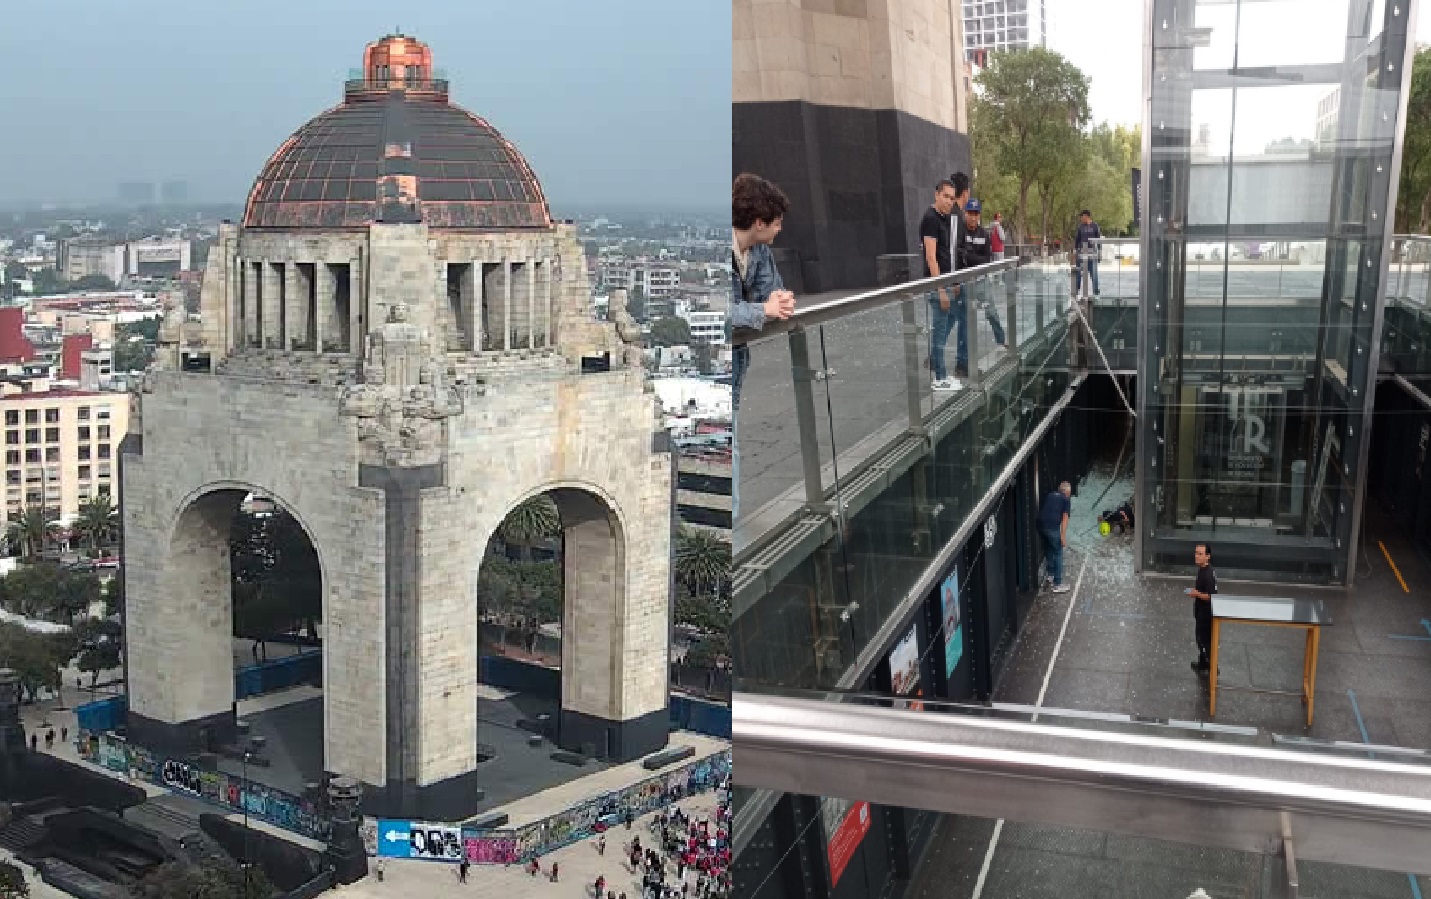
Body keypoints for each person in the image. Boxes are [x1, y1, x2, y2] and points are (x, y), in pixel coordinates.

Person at [730, 173, 797, 519]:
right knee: (733, 453)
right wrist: (763, 309)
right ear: (758, 222)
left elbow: (773, 289)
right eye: (777, 222)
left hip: (739, 368)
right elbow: (721, 312)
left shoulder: (758, 253)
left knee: (735, 449)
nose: (779, 230)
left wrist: (777, 299)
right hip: (728, 370)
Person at [919, 178, 960, 391]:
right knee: (940, 328)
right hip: (937, 284)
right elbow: (931, 257)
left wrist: (951, 281)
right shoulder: (931, 219)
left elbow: (946, 255)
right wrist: (940, 289)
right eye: (946, 196)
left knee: (948, 320)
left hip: (944, 281)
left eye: (952, 198)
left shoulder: (944, 218)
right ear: (936, 194)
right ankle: (939, 377)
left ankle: (938, 365)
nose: (949, 201)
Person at [956, 199, 1006, 361]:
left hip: (981, 281)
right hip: (964, 282)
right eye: (970, 213)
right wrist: (971, 258)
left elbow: (986, 259)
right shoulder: (959, 232)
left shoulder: (984, 234)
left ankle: (1001, 340)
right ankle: (936, 356)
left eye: (976, 214)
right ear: (965, 214)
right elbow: (959, 257)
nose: (973, 217)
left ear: (979, 215)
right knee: (956, 320)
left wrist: (969, 257)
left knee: (992, 313)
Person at [1037, 481, 1072, 594]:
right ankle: (1058, 584)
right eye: (1070, 493)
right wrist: (1063, 536)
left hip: (1040, 525)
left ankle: (1050, 575)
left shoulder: (1050, 495)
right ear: (1067, 492)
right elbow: (1065, 518)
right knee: (1058, 552)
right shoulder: (1066, 499)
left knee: (1048, 548)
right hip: (1052, 527)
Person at [1188, 543, 1218, 674]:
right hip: (1200, 612)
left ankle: (1212, 668)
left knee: (1205, 641)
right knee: (1200, 639)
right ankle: (1203, 663)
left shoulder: (1208, 574)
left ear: (1208, 557)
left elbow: (1212, 596)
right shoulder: (1202, 569)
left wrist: (1197, 594)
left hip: (1206, 614)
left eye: (1200, 554)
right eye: (1196, 553)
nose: (1196, 556)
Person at [1074, 210, 1102, 297]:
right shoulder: (1080, 227)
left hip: (1092, 253)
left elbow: (1099, 240)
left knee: (1094, 273)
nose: (1081, 218)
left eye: (1082, 216)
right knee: (1078, 273)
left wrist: (1100, 252)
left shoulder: (1095, 226)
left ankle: (1096, 292)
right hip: (1082, 253)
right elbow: (1077, 240)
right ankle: (1076, 291)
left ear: (1087, 216)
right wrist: (1076, 251)